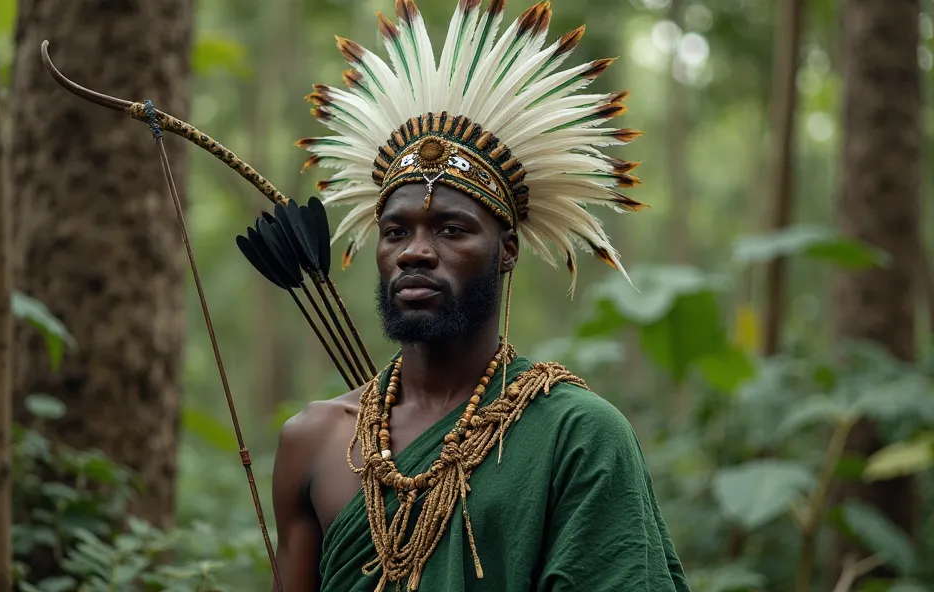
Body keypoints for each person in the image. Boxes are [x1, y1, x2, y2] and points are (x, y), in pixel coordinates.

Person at [271, 1, 690, 590]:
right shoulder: (313, 440)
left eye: (451, 228)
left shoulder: (577, 434)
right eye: (396, 232)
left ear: (508, 249)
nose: (414, 251)